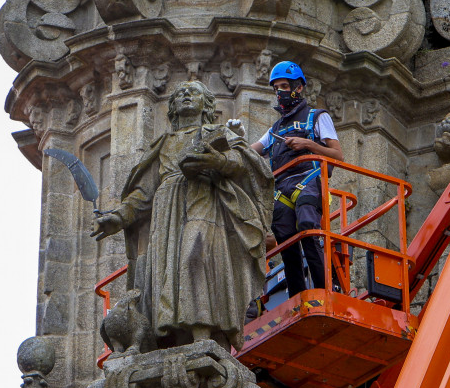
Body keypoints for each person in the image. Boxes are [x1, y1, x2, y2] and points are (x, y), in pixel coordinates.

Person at [92, 80, 273, 351]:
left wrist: (217, 162)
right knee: (168, 272)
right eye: (180, 94)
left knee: (196, 255)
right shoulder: (164, 143)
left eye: (195, 92)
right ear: (173, 108)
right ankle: (175, 338)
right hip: (167, 211)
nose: (186, 95)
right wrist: (118, 217)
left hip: (203, 199)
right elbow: (143, 193)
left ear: (207, 106)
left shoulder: (218, 133)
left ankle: (204, 334)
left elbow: (246, 165)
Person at [251, 61, 343, 297]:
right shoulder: (276, 128)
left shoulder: (317, 117)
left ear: (298, 87)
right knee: (287, 242)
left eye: (284, 86)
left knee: (307, 227)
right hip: (282, 188)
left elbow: (338, 155)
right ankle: (298, 297)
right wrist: (232, 141)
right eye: (276, 88)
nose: (280, 92)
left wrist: (308, 144)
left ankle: (325, 290)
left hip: (309, 179)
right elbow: (254, 150)